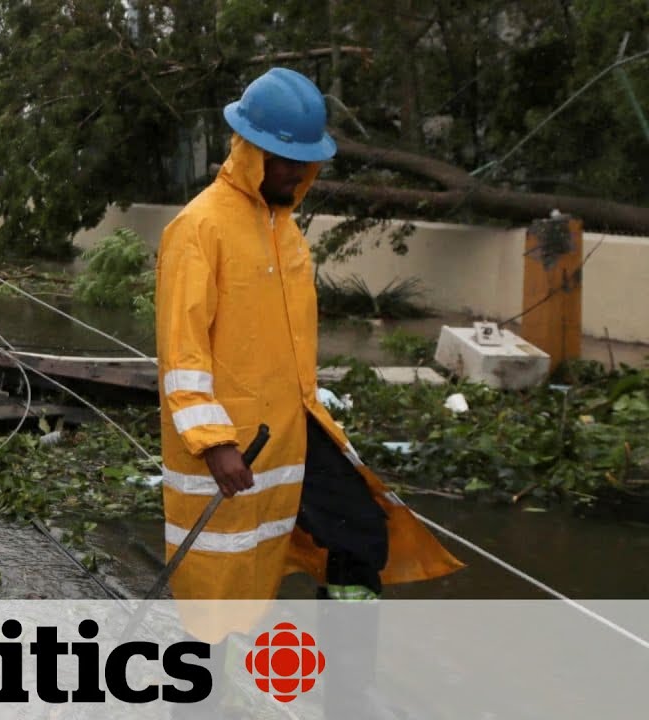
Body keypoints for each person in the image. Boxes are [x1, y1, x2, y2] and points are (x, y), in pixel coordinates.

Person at [155, 67, 464, 715]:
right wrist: (214, 441)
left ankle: (349, 695)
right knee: (220, 590)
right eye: (286, 161)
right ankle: (199, 700)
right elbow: (182, 353)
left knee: (359, 535)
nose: (297, 175)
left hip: (293, 431)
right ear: (250, 151)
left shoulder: (284, 231)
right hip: (231, 443)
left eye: (305, 163)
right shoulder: (199, 227)